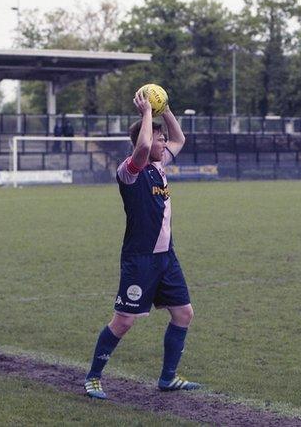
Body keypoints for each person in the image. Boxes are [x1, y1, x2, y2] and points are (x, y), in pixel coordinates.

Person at [83, 90, 199, 400]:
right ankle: (93, 377)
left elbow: (180, 138)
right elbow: (146, 144)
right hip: (139, 260)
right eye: (160, 140)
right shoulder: (129, 171)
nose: (164, 144)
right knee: (123, 321)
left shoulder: (159, 166)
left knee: (184, 314)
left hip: (166, 258)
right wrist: (147, 112)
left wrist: (166, 109)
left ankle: (168, 378)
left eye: (162, 140)